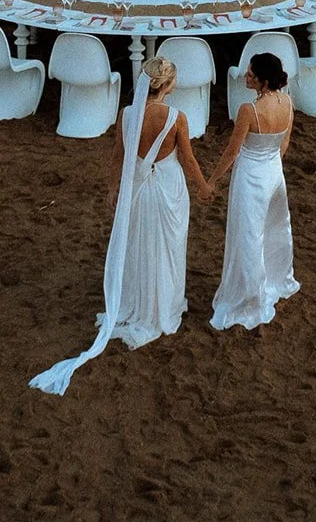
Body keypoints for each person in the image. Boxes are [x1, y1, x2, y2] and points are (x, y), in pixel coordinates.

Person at [31, 56, 213, 395]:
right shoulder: (176, 118)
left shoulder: (127, 116)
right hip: (169, 190)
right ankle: (164, 306)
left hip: (138, 189)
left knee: (139, 244)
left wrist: (114, 189)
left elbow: (118, 156)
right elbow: (187, 158)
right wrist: (204, 186)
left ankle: (136, 303)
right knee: (168, 246)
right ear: (170, 86)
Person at [208, 51, 299, 330]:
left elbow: (232, 152)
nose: (245, 77)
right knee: (274, 228)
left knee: (247, 234)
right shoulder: (287, 102)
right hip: (273, 174)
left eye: (250, 74)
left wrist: (212, 180)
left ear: (262, 81)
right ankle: (275, 278)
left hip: (250, 176)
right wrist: (272, 163)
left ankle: (248, 297)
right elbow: (284, 144)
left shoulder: (249, 111)